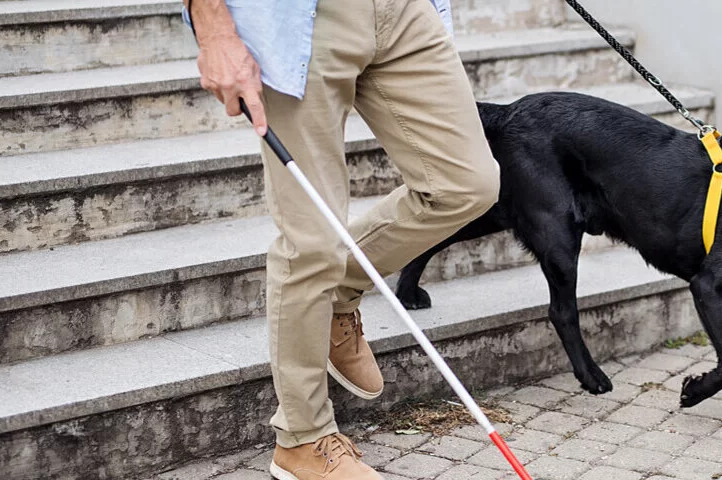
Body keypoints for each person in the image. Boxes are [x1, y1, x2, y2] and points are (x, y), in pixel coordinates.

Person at [184, 0, 498, 477]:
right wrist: (215, 32)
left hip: (404, 13)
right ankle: (302, 439)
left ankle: (339, 290)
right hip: (299, 19)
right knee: (313, 242)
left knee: (466, 185)